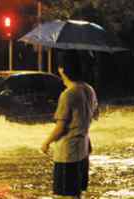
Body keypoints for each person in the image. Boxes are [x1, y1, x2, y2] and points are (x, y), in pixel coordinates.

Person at [41, 51, 99, 199]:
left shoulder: (68, 94)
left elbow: (61, 127)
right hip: (83, 149)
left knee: (65, 195)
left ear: (62, 70)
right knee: (77, 194)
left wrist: (46, 143)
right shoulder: (89, 90)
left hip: (68, 153)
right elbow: (90, 117)